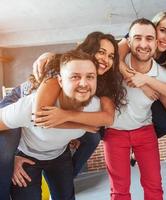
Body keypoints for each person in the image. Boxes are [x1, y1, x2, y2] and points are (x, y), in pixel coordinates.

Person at [0, 31, 126, 200]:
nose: (106, 59)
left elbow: (106, 118)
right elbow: (41, 115)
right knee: (6, 153)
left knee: (93, 138)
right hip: (20, 99)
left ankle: (65, 176)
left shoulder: (101, 90)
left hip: (56, 151)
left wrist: (68, 117)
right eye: (101, 52)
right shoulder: (59, 69)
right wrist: (14, 159)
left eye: (111, 56)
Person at [103, 18, 166, 200]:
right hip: (114, 133)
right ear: (129, 41)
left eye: (149, 38)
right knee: (119, 192)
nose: (143, 44)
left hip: (145, 132)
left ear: (156, 42)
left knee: (154, 188)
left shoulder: (161, 74)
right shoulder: (113, 65)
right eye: (138, 38)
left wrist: (146, 81)